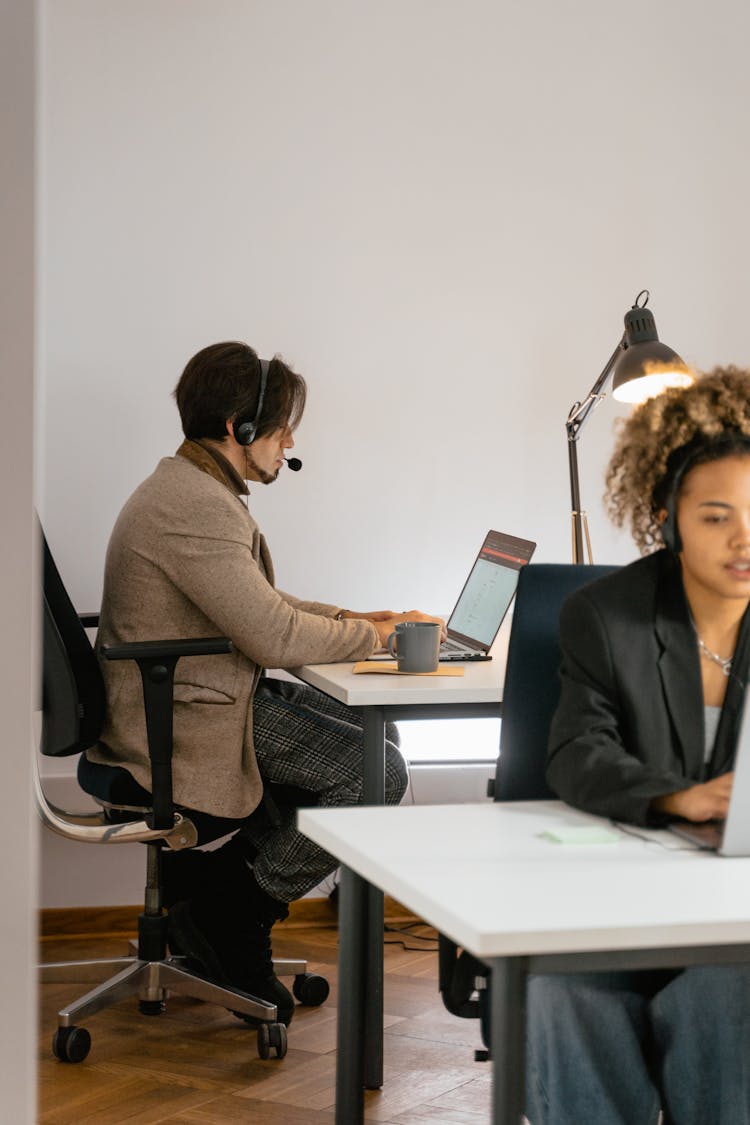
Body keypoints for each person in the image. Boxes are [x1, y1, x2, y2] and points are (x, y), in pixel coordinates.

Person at [84, 341, 443, 1025]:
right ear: (237, 429)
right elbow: (273, 636)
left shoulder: (191, 489)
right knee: (377, 771)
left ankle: (208, 894)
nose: (289, 441)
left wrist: (361, 618)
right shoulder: (194, 506)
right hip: (181, 722)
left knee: (372, 732)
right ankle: (232, 914)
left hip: (197, 696)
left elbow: (261, 606)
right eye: (281, 426)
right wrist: (375, 639)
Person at [527, 366, 750, 1125]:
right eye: (718, 516)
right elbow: (577, 750)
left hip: (742, 916)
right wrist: (677, 796)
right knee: (560, 992)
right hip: (627, 900)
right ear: (667, 519)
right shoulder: (608, 614)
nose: (744, 539)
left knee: (728, 987)